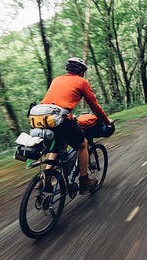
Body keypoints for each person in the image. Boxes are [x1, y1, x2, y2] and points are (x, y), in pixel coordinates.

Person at [40, 57, 111, 194]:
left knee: (57, 147)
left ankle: (46, 179)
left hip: (44, 119)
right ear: (82, 72)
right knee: (82, 144)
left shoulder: (56, 79)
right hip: (60, 119)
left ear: (68, 69)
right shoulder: (81, 82)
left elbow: (56, 101)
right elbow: (94, 106)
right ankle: (84, 181)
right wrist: (106, 121)